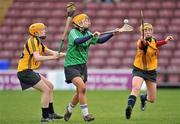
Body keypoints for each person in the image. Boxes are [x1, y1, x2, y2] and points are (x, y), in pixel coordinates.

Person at [63, 13, 119, 122]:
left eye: (88, 20)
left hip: (83, 66)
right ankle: (86, 115)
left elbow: (101, 41)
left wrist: (112, 34)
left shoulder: (88, 33)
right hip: (71, 65)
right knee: (82, 88)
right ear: (78, 24)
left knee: (79, 92)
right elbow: (77, 41)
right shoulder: (73, 32)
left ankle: (69, 109)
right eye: (85, 21)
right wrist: (91, 36)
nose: (88, 22)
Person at [17, 23, 66, 122]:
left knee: (50, 86)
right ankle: (45, 116)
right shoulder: (32, 41)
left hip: (29, 71)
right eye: (42, 30)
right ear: (36, 32)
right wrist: (53, 57)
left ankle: (51, 113)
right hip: (24, 72)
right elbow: (37, 57)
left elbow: (48, 51)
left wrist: (64, 54)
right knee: (46, 90)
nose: (45, 31)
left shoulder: (38, 41)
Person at [125, 23, 174, 119]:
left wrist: (165, 41)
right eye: (145, 30)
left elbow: (154, 44)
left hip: (151, 71)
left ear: (152, 31)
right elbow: (143, 45)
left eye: (149, 30)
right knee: (135, 89)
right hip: (139, 69)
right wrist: (143, 41)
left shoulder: (153, 40)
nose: (147, 32)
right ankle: (129, 107)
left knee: (152, 99)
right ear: (141, 32)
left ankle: (144, 98)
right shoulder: (141, 42)